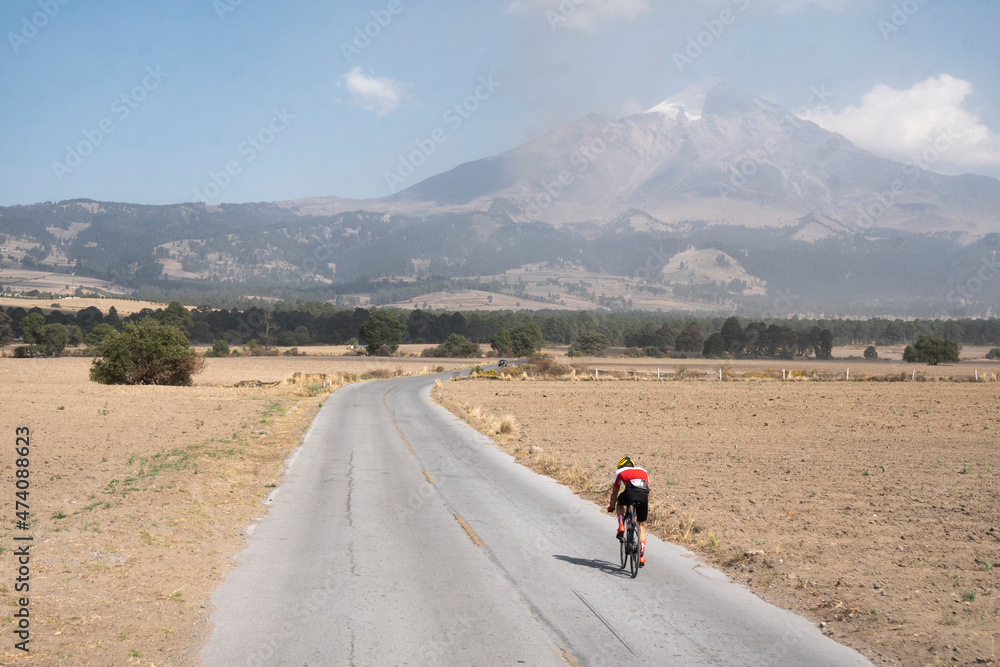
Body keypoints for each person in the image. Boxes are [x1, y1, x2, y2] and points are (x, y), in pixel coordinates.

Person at [607, 456, 650, 566]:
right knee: (641, 525)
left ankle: (621, 525)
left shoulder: (619, 471)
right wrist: (645, 507)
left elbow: (615, 493)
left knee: (620, 503)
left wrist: (611, 506)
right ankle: (641, 556)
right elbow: (648, 491)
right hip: (643, 496)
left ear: (620, 466)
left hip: (630, 494)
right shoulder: (643, 470)